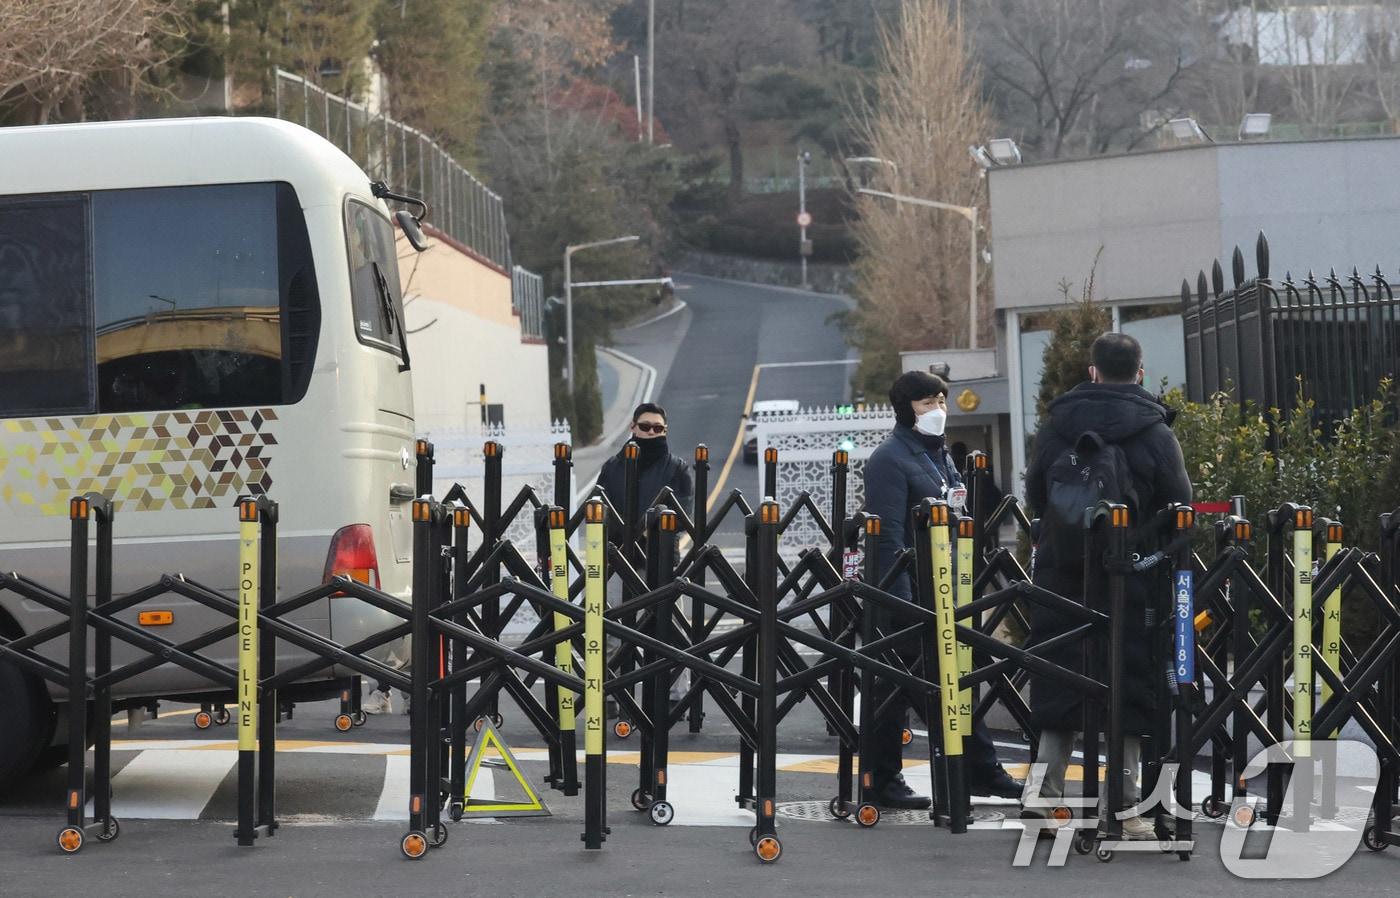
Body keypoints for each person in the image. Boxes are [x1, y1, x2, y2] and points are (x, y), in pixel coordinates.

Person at [1021, 333, 1192, 839]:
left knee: (1059, 675)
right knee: (1128, 680)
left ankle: (1042, 795)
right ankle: (1125, 807)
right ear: (1140, 372)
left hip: (1063, 571)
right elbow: (1180, 503)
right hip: (1131, 570)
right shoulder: (1154, 431)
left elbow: (1034, 491)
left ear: (1092, 371)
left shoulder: (1058, 423)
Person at [862, 370, 1023, 810]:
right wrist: (903, 603)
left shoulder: (938, 456)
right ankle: (963, 773)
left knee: (938, 685)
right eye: (926, 402)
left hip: (945, 590)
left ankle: (907, 777)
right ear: (904, 407)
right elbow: (887, 537)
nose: (937, 410)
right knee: (925, 687)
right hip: (910, 596)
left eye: (940, 400)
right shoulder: (889, 459)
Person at [597, 403, 694, 708]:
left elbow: (684, 516)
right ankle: (612, 695)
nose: (651, 433)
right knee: (610, 628)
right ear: (633, 428)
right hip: (618, 561)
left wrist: (651, 528)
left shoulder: (677, 468)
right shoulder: (613, 467)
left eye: (658, 429)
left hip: (661, 560)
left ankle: (675, 698)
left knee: (672, 629)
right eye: (646, 427)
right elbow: (597, 509)